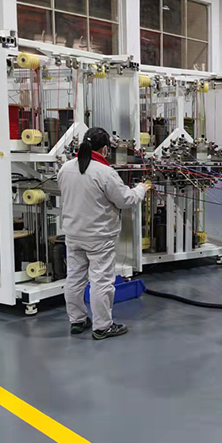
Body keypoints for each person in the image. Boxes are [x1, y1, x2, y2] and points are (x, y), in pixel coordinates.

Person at [59, 127, 150, 339]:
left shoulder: (65, 168)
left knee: (74, 278)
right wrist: (142, 189)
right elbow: (126, 200)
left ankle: (77, 320)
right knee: (101, 281)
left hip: (73, 233)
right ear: (105, 149)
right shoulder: (104, 172)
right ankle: (102, 326)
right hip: (99, 236)